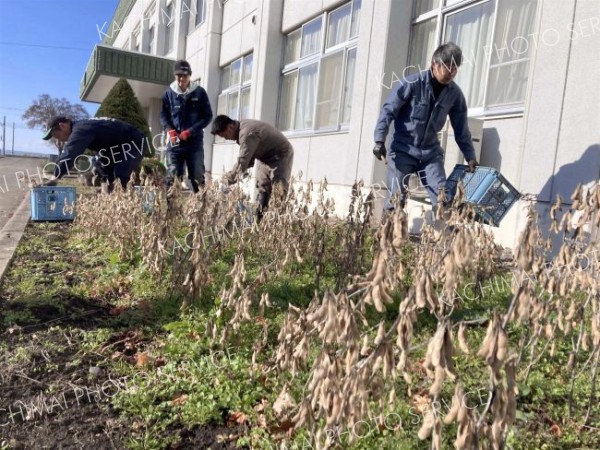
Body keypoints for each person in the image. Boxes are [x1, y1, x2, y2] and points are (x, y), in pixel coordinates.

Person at [373, 42, 478, 210]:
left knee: (443, 199)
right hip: (403, 150)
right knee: (396, 201)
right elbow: (388, 111)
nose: (452, 71)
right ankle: (390, 234)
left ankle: (442, 234)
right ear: (434, 64)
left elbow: (461, 129)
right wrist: (379, 140)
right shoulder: (411, 83)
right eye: (448, 66)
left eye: (456, 67)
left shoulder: (455, 95)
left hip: (430, 154)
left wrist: (470, 156)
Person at [210, 114, 294, 220]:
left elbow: (243, 161)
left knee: (279, 190)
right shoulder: (241, 129)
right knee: (263, 185)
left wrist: (227, 180)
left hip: (282, 154)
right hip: (266, 157)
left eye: (225, 135)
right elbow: (249, 157)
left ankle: (277, 225)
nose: (226, 139)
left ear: (229, 127)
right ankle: (260, 221)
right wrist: (242, 172)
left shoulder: (246, 133)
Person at [42, 116, 146, 191]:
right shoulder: (81, 126)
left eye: (58, 136)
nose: (61, 140)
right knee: (102, 167)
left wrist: (54, 178)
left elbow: (70, 153)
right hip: (115, 146)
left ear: (62, 126)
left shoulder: (81, 129)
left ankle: (123, 202)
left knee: (121, 174)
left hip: (135, 142)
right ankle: (109, 196)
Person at [160, 59, 213, 193]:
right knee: (172, 177)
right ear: (175, 75)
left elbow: (207, 116)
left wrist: (190, 131)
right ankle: (171, 210)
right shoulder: (168, 93)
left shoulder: (200, 92)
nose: (181, 78)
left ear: (190, 75)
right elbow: (163, 116)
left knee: (197, 177)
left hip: (194, 143)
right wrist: (170, 130)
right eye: (179, 75)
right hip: (175, 143)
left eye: (185, 75)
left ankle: (201, 209)